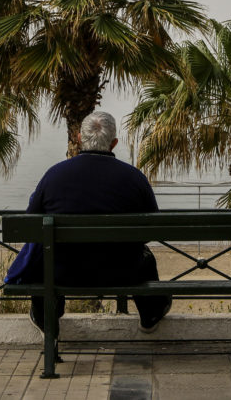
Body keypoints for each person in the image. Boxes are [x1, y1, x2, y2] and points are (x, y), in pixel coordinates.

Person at [19, 111, 172, 334]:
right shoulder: (134, 177)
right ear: (114, 143)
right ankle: (150, 314)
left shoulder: (54, 176)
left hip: (63, 272)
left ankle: (47, 319)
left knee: (44, 258)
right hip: (123, 272)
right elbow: (150, 228)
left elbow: (31, 227)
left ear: (79, 138)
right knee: (145, 257)